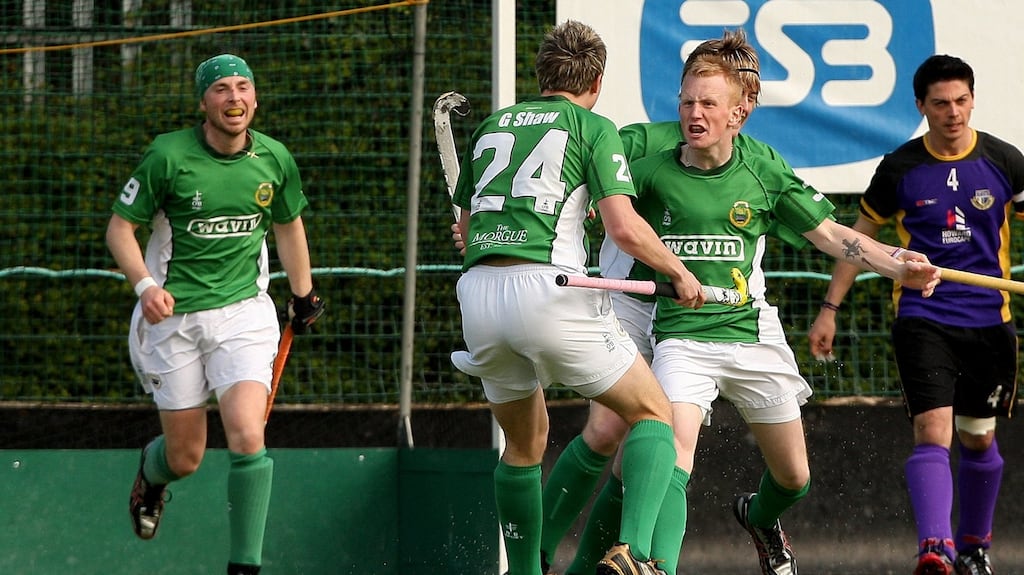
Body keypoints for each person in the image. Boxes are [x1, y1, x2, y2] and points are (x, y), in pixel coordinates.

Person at [539, 30, 810, 575]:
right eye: (692, 96)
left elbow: (823, 232)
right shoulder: (641, 142)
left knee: (636, 447)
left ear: (743, 105)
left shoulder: (756, 161)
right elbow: (568, 179)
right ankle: (539, 554)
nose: (699, 109)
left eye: (717, 98)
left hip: (695, 306)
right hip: (632, 297)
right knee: (611, 429)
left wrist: (893, 258)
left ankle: (605, 564)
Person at [449, 19, 707, 575]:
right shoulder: (591, 125)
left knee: (525, 443)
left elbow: (470, 229)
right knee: (651, 412)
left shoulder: (494, 124)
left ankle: (523, 569)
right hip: (549, 292)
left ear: (541, 73)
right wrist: (679, 272)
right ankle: (634, 555)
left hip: (478, 297)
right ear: (596, 80)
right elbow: (625, 229)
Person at [106, 53, 325, 575]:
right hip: (172, 323)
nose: (234, 98)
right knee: (186, 458)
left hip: (243, 316)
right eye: (222, 89)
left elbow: (289, 225)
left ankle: (244, 566)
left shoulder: (274, 158)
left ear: (255, 97)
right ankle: (152, 476)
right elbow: (120, 229)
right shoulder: (167, 156)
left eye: (243, 88)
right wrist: (144, 287)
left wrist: (303, 293)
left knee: (248, 434)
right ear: (203, 102)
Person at [808, 54, 1024, 575]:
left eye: (962, 101)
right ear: (921, 106)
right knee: (932, 430)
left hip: (990, 324)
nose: (953, 113)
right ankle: (936, 549)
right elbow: (857, 242)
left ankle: (974, 547)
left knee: (979, 437)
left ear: (973, 100)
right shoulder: (901, 168)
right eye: (941, 104)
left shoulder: (1005, 161)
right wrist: (829, 309)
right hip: (924, 319)